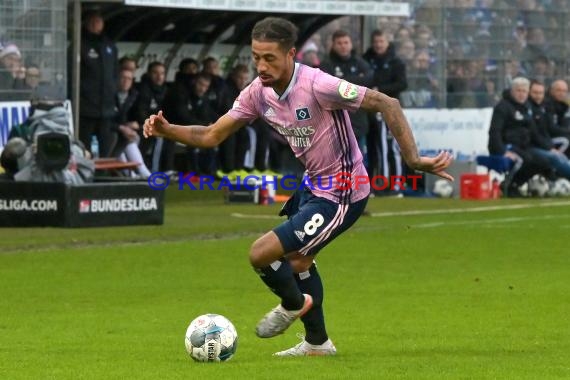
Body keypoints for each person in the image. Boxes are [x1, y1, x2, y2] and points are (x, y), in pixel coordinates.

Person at [143, 17, 452, 356]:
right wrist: (167, 129)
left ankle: (291, 304)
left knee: (261, 254)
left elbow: (386, 103)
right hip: (314, 185)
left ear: (291, 54)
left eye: (270, 58)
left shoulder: (318, 84)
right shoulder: (257, 93)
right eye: (256, 57)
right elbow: (211, 134)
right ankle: (318, 344)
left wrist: (414, 160)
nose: (261, 65)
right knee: (300, 262)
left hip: (343, 192)